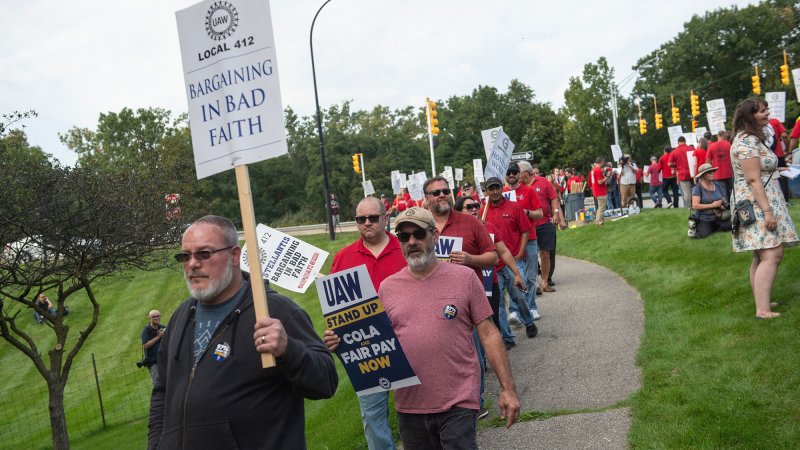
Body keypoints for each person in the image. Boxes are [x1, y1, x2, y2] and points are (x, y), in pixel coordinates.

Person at [326, 207, 520, 448]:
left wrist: (508, 389)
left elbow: (489, 334)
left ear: (434, 236)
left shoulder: (465, 278)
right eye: (404, 237)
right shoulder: (388, 288)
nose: (412, 241)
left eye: (418, 233)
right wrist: (342, 343)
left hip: (458, 401)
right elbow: (373, 342)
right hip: (409, 407)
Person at [148, 215, 338, 449]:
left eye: (204, 254)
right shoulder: (181, 316)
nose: (192, 264)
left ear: (235, 256)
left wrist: (289, 350)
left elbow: (326, 381)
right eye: (185, 256)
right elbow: (162, 391)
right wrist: (157, 444)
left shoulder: (274, 311)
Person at [328, 197, 406, 450]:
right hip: (367, 351)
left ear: (386, 218)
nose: (367, 223)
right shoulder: (343, 258)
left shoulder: (407, 248)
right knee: (373, 418)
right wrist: (334, 334)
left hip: (409, 341)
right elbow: (337, 310)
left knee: (418, 412)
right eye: (361, 219)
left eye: (373, 218)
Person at [730, 99, 798, 319]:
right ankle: (763, 310)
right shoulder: (747, 142)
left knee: (761, 253)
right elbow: (752, 178)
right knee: (772, 252)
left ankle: (763, 301)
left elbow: (758, 169)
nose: (767, 113)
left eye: (766, 109)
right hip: (757, 202)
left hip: (759, 198)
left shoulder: (751, 139)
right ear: (750, 116)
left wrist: (780, 167)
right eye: (762, 111)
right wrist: (767, 211)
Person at [483, 176, 539, 349]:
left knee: (519, 296)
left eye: (497, 187)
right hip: (492, 266)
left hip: (512, 261)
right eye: (490, 188)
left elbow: (525, 230)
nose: (494, 191)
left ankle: (528, 321)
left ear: (502, 188)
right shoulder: (481, 212)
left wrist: (521, 251)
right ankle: (507, 338)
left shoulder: (514, 207)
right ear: (486, 191)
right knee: (497, 304)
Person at [530, 165, 566, 294]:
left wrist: (556, 213)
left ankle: (545, 281)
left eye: (536, 172)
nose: (535, 175)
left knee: (546, 253)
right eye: (532, 173)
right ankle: (535, 283)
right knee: (531, 255)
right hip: (529, 226)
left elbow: (553, 198)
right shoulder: (521, 185)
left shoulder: (543, 182)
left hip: (545, 223)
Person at [690, 164, 732, 238]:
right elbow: (695, 205)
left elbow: (723, 200)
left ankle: (717, 227)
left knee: (731, 226)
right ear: (702, 175)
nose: (712, 173)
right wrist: (713, 205)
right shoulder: (697, 188)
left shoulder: (718, 185)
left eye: (713, 171)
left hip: (719, 217)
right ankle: (704, 227)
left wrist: (723, 205)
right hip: (705, 218)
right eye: (709, 172)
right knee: (703, 235)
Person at [141, 310, 166, 384]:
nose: (156, 318)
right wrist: (159, 336)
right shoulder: (146, 330)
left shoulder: (163, 327)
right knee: (157, 382)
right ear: (150, 318)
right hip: (152, 361)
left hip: (163, 359)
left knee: (167, 379)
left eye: (158, 316)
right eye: (153, 317)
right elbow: (145, 345)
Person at [669, 136, 694, 209]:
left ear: (678, 142)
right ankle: (695, 205)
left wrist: (675, 165)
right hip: (693, 173)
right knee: (695, 191)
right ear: (685, 141)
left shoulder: (674, 151)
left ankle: (688, 208)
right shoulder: (691, 148)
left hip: (682, 174)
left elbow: (669, 164)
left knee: (686, 193)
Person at [708, 130, 733, 199]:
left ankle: (726, 205)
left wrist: (709, 171)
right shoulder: (729, 145)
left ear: (717, 136)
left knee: (721, 191)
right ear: (724, 136)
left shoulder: (711, 146)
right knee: (731, 190)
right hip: (729, 172)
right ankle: (732, 204)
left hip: (717, 173)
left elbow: (708, 160)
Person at [590, 157, 611, 225]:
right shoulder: (598, 170)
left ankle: (597, 221)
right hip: (600, 191)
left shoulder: (593, 169)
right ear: (601, 162)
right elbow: (600, 182)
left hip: (596, 191)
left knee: (599, 208)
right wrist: (607, 176)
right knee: (602, 209)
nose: (603, 164)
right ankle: (599, 222)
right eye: (603, 162)